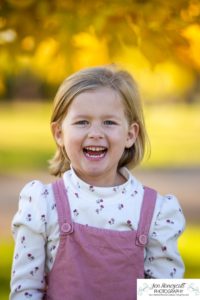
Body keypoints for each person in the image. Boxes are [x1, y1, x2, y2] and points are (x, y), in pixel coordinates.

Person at [10, 65, 185, 300]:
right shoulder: (42, 204)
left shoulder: (157, 212)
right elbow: (25, 291)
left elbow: (168, 293)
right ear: (59, 133)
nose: (95, 133)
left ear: (130, 135)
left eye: (109, 123)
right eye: (82, 122)